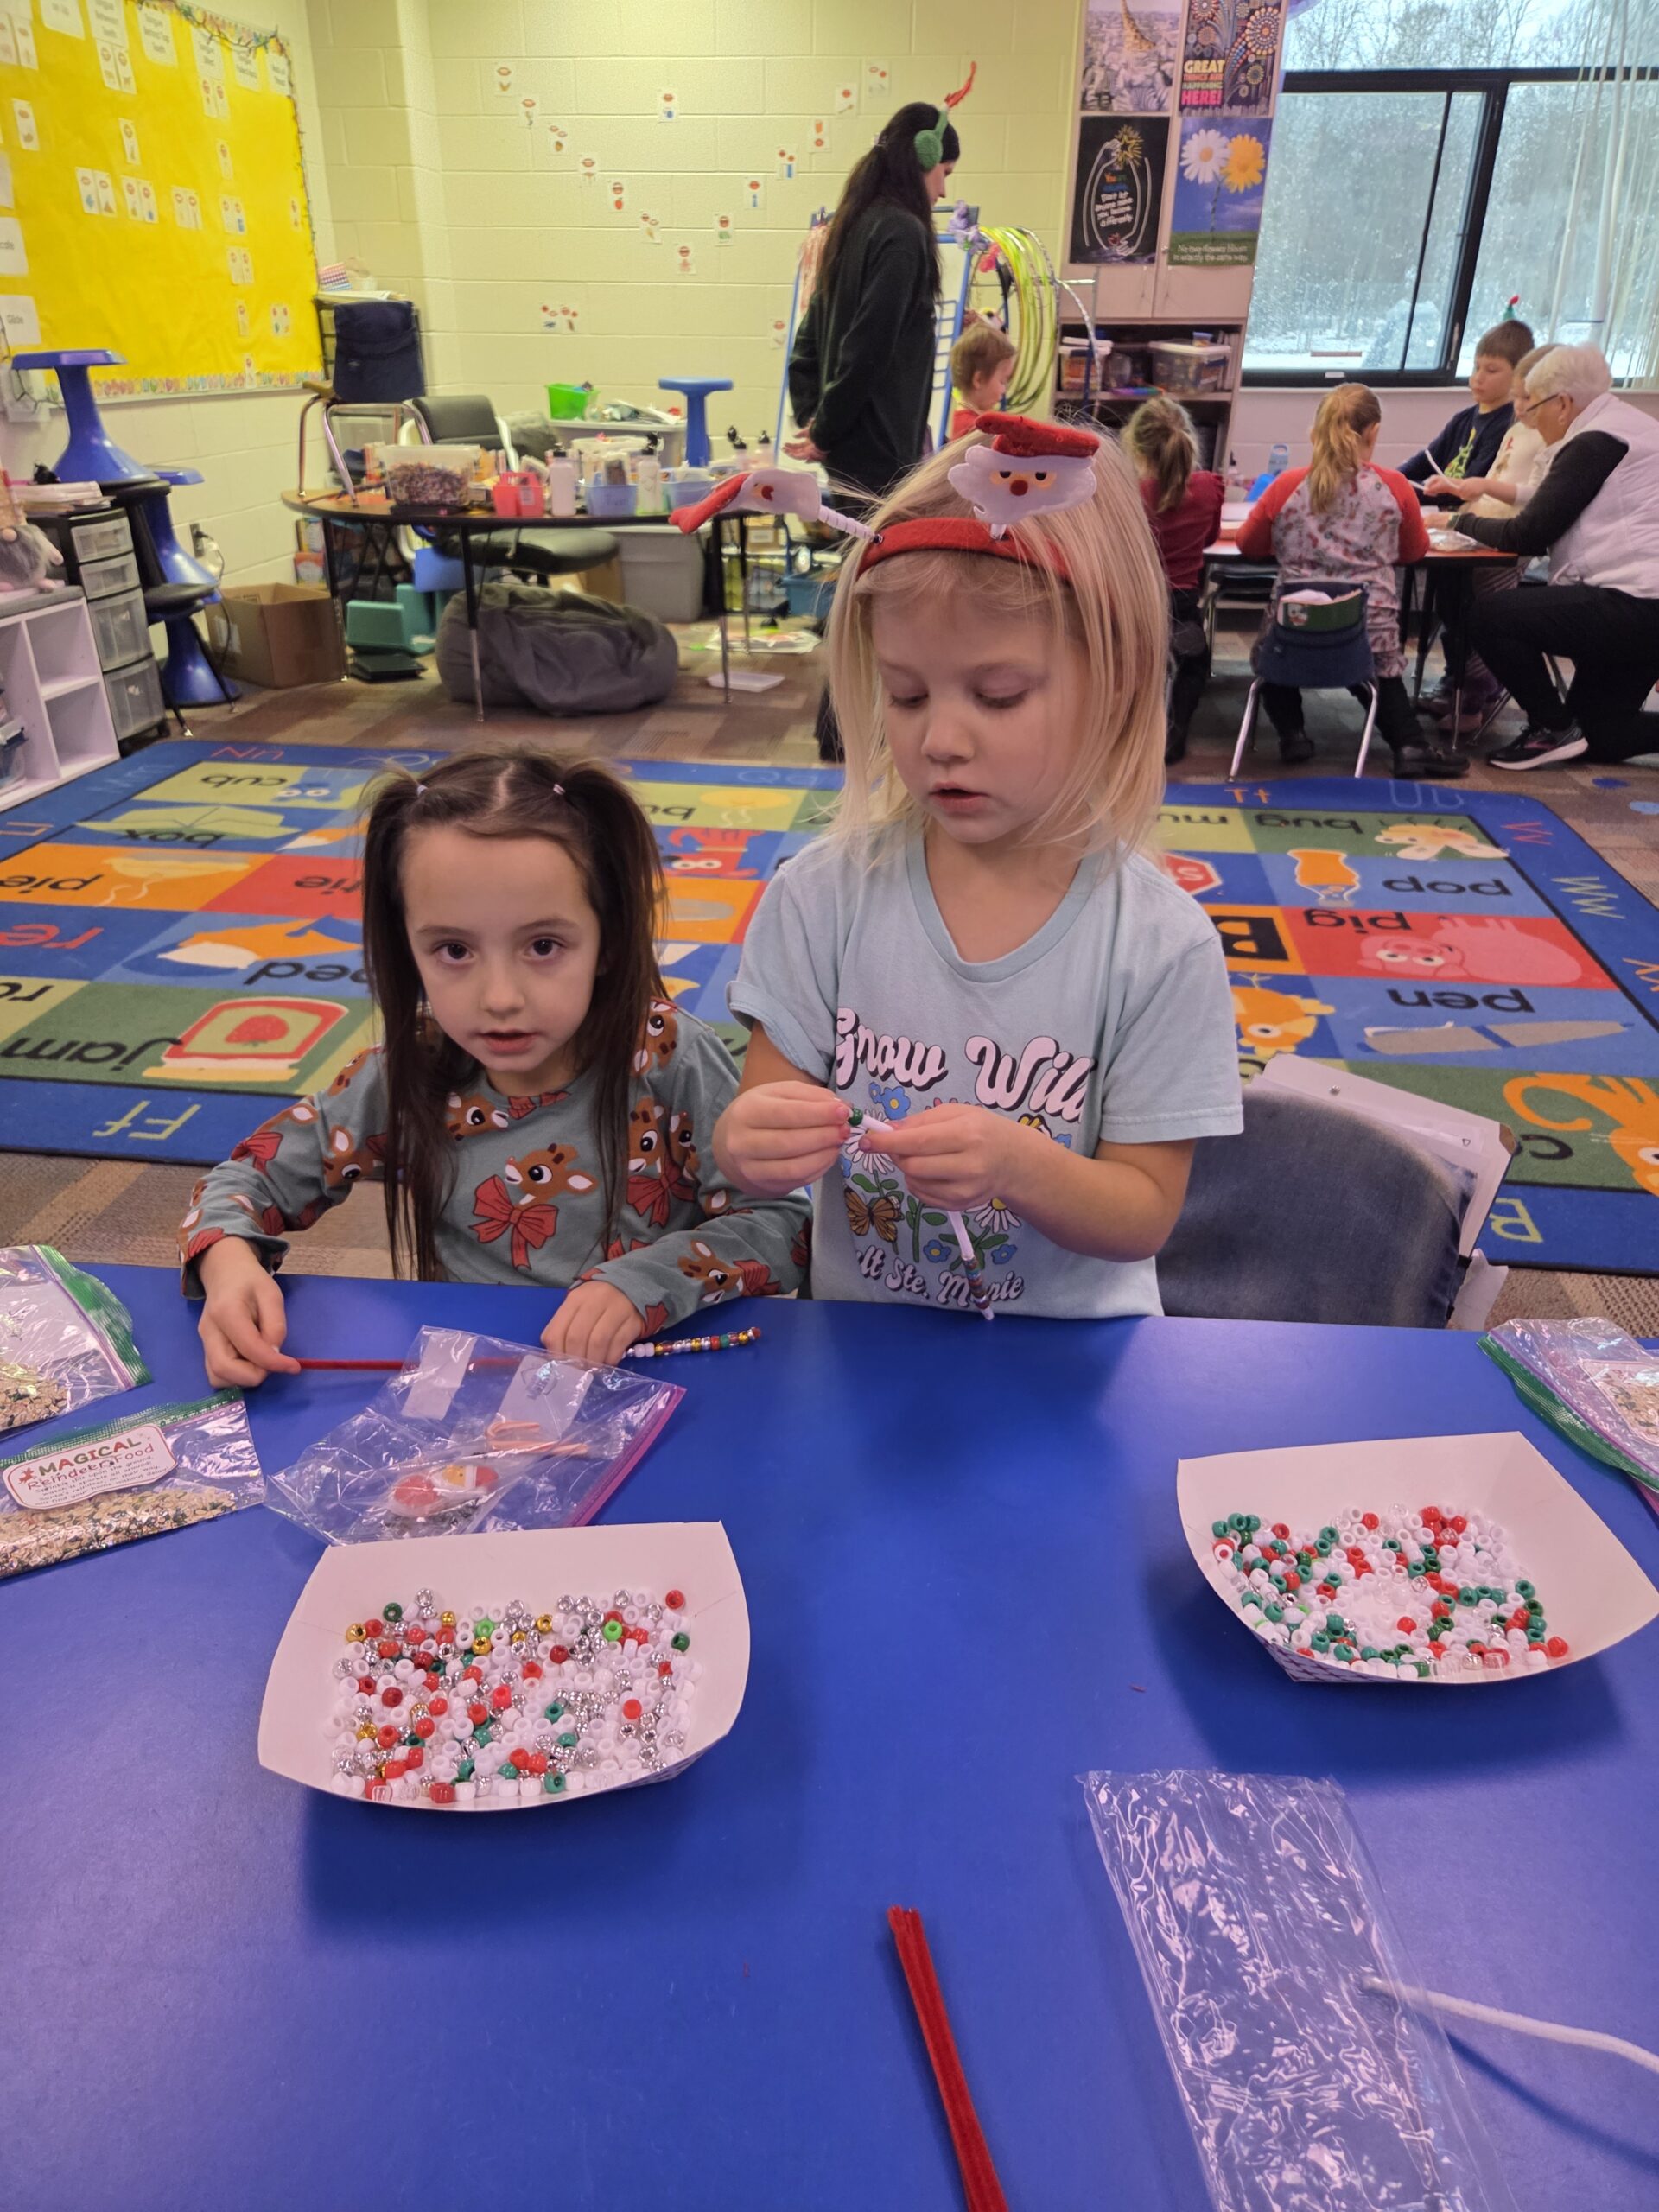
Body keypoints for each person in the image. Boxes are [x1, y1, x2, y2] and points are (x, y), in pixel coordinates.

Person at [712, 414, 1243, 1322]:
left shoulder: (1159, 945)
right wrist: (747, 1142)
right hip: (868, 1342)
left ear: (1113, 680)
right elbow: (765, 1110)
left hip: (1070, 1359)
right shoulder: (820, 897)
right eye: (907, 694)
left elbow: (1145, 1211)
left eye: (997, 696)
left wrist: (1019, 1165)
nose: (940, 741)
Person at [181, 752, 809, 1384]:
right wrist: (229, 1261)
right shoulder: (408, 1073)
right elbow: (245, 1179)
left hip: (658, 1374)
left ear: (608, 942)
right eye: (454, 949)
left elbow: (784, 1223)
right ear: (409, 949)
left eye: (543, 946)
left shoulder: (668, 1055)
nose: (500, 997)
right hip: (478, 1383)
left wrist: (642, 1284)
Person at [1234, 383, 1467, 777]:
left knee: (1273, 660)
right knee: (1380, 670)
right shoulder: (1393, 487)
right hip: (1365, 628)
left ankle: (1293, 735)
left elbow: (1247, 545)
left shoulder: (1287, 485)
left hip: (1296, 625)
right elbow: (1412, 553)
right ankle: (1409, 747)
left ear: (1317, 429)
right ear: (1373, 432)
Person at [1454, 342, 1659, 769]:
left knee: (1491, 613)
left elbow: (1527, 533)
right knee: (1603, 736)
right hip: (1642, 607)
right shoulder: (1635, 428)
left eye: (1534, 404)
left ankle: (1551, 727)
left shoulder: (1595, 441)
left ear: (1563, 403)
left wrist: (1458, 524)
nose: (1528, 415)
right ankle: (1571, 729)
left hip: (1631, 604)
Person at [785, 101, 961, 503]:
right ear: (925, 157)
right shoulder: (903, 233)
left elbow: (806, 343)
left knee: (858, 562)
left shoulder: (853, 222)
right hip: (880, 453)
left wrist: (816, 422)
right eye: (944, 174)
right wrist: (823, 430)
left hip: (850, 449)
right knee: (877, 564)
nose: (944, 190)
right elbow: (869, 347)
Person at [1419, 340, 1559, 734]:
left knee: (1480, 610)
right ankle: (1460, 682)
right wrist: (1469, 496)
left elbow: (1533, 495)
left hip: (1509, 541)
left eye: (1525, 397)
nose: (1518, 405)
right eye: (1517, 396)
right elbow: (1494, 483)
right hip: (1480, 528)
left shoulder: (1549, 439)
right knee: (1453, 596)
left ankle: (1475, 694)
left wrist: (1476, 486)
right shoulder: (1516, 429)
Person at [1124, 396, 1224, 766]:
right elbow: (1211, 538)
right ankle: (1175, 733)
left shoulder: (1128, 493)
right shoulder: (1210, 487)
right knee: (1194, 665)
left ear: (1135, 446)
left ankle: (1128, 735)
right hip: (1182, 603)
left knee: (1131, 665)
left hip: (1136, 605)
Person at [1398, 318, 1535, 494]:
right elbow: (1427, 461)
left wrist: (1404, 492)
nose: (1478, 377)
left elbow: (1468, 488)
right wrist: (1392, 480)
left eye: (1491, 370)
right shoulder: (1463, 419)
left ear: (1518, 375)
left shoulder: (1507, 426)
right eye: (1476, 367)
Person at [949, 318, 1016, 441]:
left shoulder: (978, 416)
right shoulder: (973, 428)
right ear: (978, 380)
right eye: (1002, 381)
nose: (1004, 390)